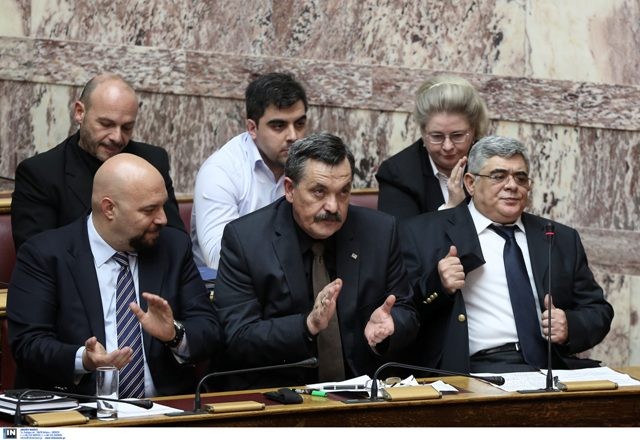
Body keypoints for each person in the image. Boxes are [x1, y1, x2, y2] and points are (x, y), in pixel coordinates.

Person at [213, 132, 419, 390]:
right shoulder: (246, 240)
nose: (333, 206)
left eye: (343, 192)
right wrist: (307, 325)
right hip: (280, 395)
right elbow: (237, 336)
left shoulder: (380, 232)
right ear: (290, 189)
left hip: (362, 391)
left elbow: (407, 311)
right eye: (319, 192)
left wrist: (391, 325)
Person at [7, 153, 219, 397]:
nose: (163, 218)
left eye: (162, 205)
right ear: (109, 208)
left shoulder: (173, 247)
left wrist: (174, 334)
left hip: (166, 407)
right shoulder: (45, 254)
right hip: (80, 407)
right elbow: (28, 343)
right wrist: (85, 359)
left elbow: (210, 330)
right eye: (149, 210)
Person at [399, 135, 613, 374]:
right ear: (470, 183)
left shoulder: (559, 237)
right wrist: (439, 285)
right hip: (474, 370)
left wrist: (570, 326)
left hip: (550, 369)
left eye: (520, 178)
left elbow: (597, 310)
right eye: (498, 176)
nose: (512, 185)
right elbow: (402, 312)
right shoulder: (424, 232)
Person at [11, 73, 184, 251]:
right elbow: (36, 255)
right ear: (80, 112)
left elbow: (176, 242)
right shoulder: (41, 173)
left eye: (127, 127)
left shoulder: (152, 161)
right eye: (106, 124)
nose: (117, 137)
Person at [191, 72, 308, 271]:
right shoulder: (220, 171)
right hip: (225, 285)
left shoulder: (308, 164)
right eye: (278, 126)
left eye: (299, 124)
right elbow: (218, 257)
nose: (293, 136)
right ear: (252, 128)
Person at [375, 74, 489, 219]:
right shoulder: (397, 174)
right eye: (437, 136)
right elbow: (401, 232)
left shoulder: (490, 162)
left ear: (473, 131)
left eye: (457, 135)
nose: (447, 146)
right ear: (423, 133)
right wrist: (451, 209)